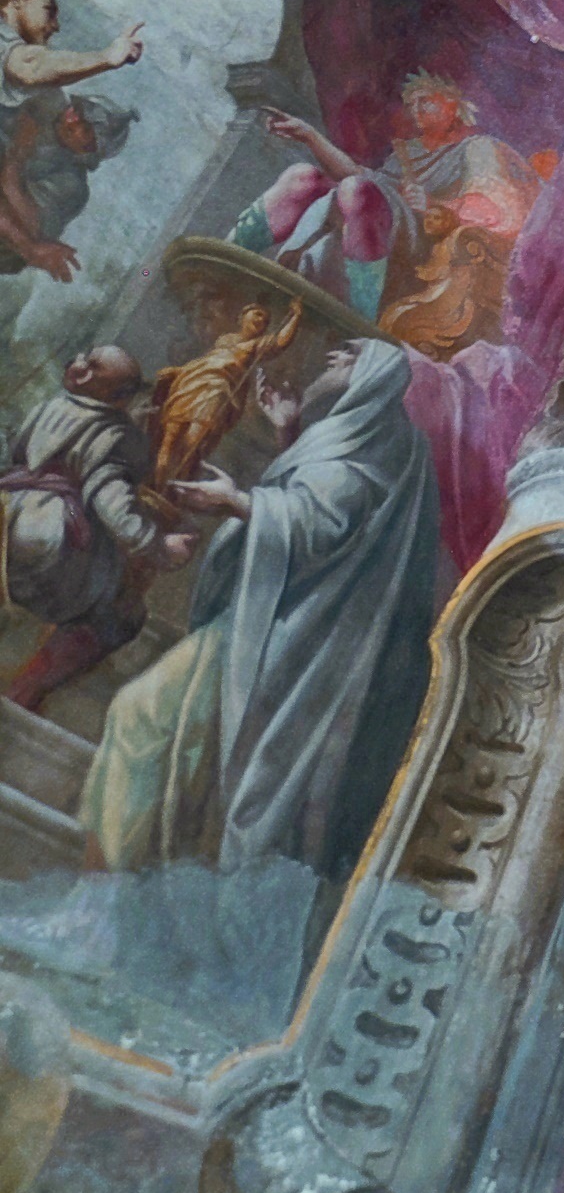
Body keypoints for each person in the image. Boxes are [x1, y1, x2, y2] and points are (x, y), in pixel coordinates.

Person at [79, 338, 439, 892]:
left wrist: (235, 502)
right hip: (265, 621)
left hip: (286, 643)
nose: (330, 358)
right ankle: (106, 890)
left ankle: (99, 899)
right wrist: (287, 434)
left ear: (371, 376)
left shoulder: (378, 442)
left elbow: (322, 524)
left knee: (138, 715)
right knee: (167, 739)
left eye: (344, 355)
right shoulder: (360, 433)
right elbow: (318, 500)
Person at [234, 78, 550, 352]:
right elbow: (363, 176)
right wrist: (309, 136)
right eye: (412, 105)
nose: (416, 110)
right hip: (380, 215)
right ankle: (234, 256)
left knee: (357, 190)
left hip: (427, 239)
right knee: (303, 176)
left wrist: (436, 205)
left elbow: (499, 207)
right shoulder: (406, 155)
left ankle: (359, 317)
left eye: (427, 102)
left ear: (453, 106)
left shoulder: (477, 148)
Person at [2, 344, 193, 713]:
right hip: (45, 534)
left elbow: (19, 452)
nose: (77, 368)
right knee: (118, 614)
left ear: (118, 394)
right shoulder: (120, 437)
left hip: (8, 505)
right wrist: (157, 545)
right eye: (82, 360)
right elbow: (111, 502)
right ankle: (25, 693)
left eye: (92, 369)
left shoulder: (51, 406)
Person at [0, 0, 143, 286]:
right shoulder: (37, 91)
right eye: (48, 10)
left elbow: (26, 229)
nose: (73, 116)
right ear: (16, 2)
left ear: (91, 151)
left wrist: (14, 162)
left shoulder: (68, 182)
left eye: (86, 125)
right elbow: (29, 65)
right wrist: (106, 57)